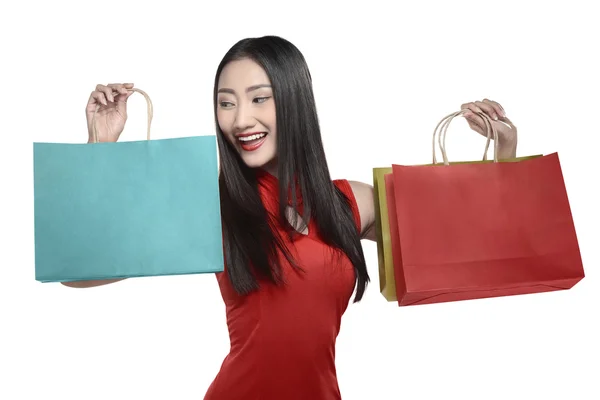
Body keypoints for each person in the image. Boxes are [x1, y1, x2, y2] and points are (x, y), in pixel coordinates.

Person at [64, 35, 518, 400]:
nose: (240, 119)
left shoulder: (350, 204)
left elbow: (473, 251)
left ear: (294, 100)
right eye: (226, 103)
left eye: (259, 99)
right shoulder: (215, 205)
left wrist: (503, 148)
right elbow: (80, 273)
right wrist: (102, 148)